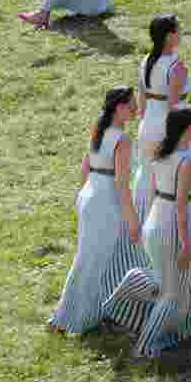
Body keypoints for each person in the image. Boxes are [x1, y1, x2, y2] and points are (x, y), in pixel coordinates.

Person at [103, 109, 191, 358]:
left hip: (155, 221)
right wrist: (186, 245)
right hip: (172, 226)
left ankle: (178, 328)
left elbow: (152, 193)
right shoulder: (187, 162)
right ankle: (146, 346)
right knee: (170, 294)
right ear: (187, 129)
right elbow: (182, 209)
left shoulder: (159, 154)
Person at [48, 87, 145, 334]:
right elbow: (122, 184)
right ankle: (65, 318)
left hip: (91, 196)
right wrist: (133, 220)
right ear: (119, 108)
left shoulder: (98, 132)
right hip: (106, 202)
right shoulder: (122, 141)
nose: (135, 110)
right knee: (93, 261)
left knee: (97, 257)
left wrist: (83, 199)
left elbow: (85, 168)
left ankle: (105, 311)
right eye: (132, 106)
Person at [132, 15, 191, 235]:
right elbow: (173, 106)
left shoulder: (146, 60)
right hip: (169, 127)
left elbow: (142, 103)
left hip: (147, 126)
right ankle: (186, 221)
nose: (181, 33)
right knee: (180, 177)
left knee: (147, 174)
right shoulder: (176, 66)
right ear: (169, 35)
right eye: (178, 30)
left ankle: (144, 219)